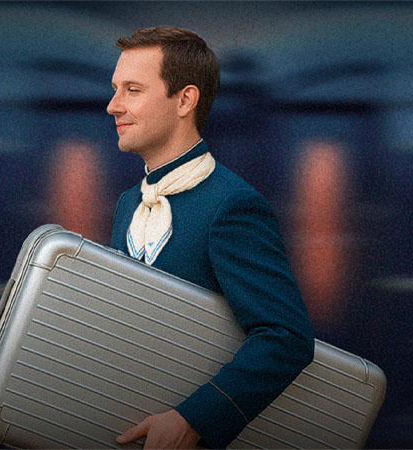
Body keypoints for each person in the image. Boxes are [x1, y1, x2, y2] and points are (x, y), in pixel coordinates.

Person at [106, 27, 315, 448]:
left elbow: (286, 338)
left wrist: (192, 420)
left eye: (132, 90)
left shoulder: (233, 205)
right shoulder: (129, 203)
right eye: (115, 89)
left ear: (185, 100)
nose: (113, 106)